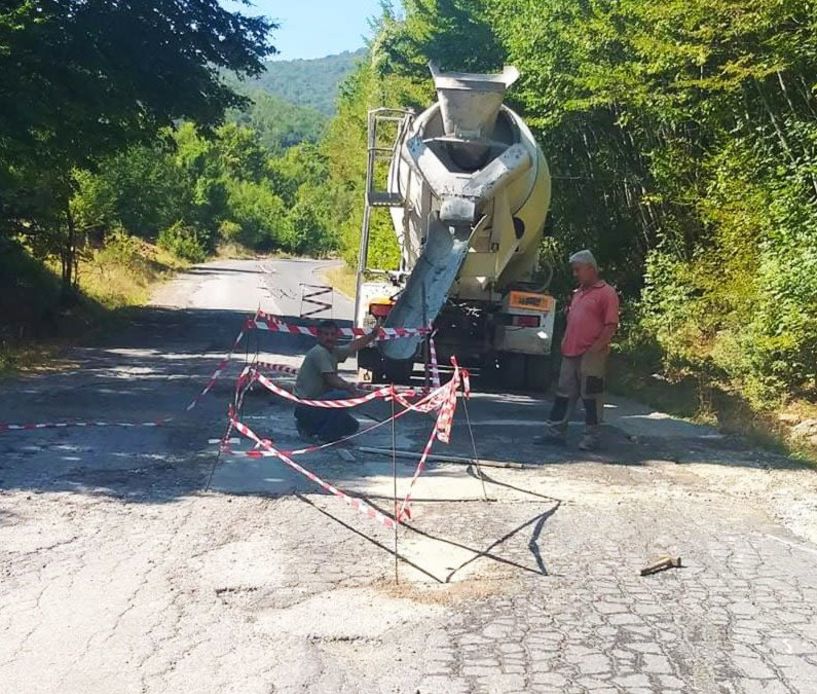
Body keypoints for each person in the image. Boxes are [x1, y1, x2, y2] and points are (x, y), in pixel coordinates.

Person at [537, 249, 619, 451]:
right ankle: (555, 432)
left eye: (578, 270)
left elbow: (611, 324)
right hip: (571, 353)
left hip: (591, 354)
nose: (575, 274)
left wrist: (597, 347)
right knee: (563, 394)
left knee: (591, 396)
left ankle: (591, 438)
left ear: (591, 269)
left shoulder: (607, 293)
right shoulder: (578, 294)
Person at [293, 319, 380, 443]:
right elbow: (332, 379)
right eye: (326, 334)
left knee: (351, 426)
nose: (329, 338)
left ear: (337, 336)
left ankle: (312, 429)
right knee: (342, 396)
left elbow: (353, 346)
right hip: (307, 407)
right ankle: (322, 436)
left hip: (317, 404)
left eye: (332, 334)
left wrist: (373, 335)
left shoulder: (332, 351)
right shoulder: (319, 352)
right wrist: (351, 388)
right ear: (319, 336)